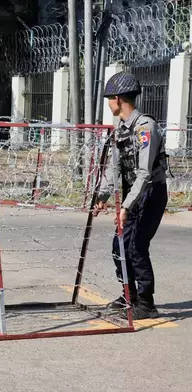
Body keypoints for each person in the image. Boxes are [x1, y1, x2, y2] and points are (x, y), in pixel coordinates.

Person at [93, 72, 168, 320]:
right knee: (119, 246)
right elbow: (116, 168)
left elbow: (145, 173)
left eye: (109, 99)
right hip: (133, 196)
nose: (108, 104)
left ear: (117, 98)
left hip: (150, 193)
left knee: (136, 247)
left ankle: (146, 304)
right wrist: (102, 195)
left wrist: (125, 207)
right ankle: (129, 294)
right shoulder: (121, 130)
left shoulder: (145, 127)